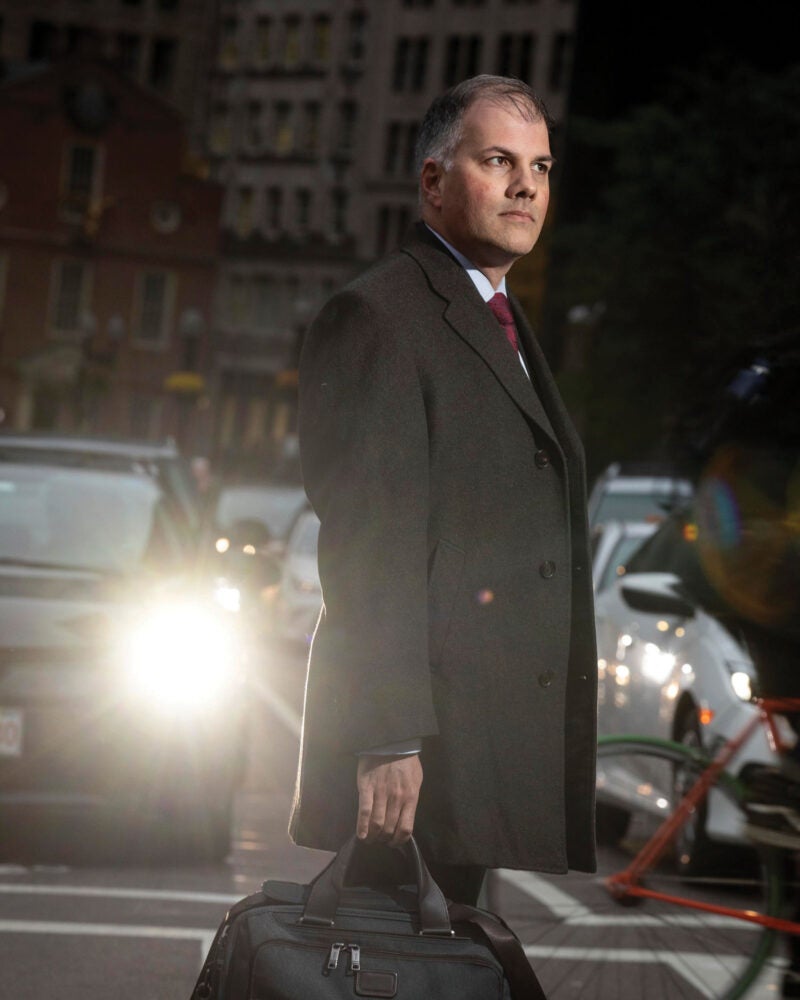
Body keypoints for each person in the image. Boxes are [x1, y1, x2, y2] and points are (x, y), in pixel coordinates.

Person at [289, 75, 598, 905]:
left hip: (478, 740)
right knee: (400, 965)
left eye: (540, 165)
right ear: (433, 181)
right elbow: (371, 540)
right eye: (498, 160)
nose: (526, 185)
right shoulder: (381, 317)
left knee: (444, 965)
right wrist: (388, 735)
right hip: (422, 747)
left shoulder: (497, 312)